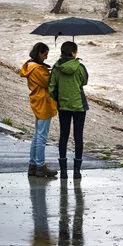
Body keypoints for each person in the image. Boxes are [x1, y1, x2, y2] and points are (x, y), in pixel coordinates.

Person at [49, 41, 88, 180]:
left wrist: (59, 99)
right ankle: (77, 171)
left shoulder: (56, 68)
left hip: (64, 106)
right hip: (79, 106)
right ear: (73, 53)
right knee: (78, 137)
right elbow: (84, 81)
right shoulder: (80, 67)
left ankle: (64, 171)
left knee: (63, 136)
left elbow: (51, 87)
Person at [20, 42, 58, 178]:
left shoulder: (30, 66)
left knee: (37, 135)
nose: (46, 58)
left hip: (37, 101)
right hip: (44, 103)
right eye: (45, 54)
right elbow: (49, 83)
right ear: (39, 53)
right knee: (41, 136)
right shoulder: (37, 69)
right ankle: (40, 166)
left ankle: (33, 165)